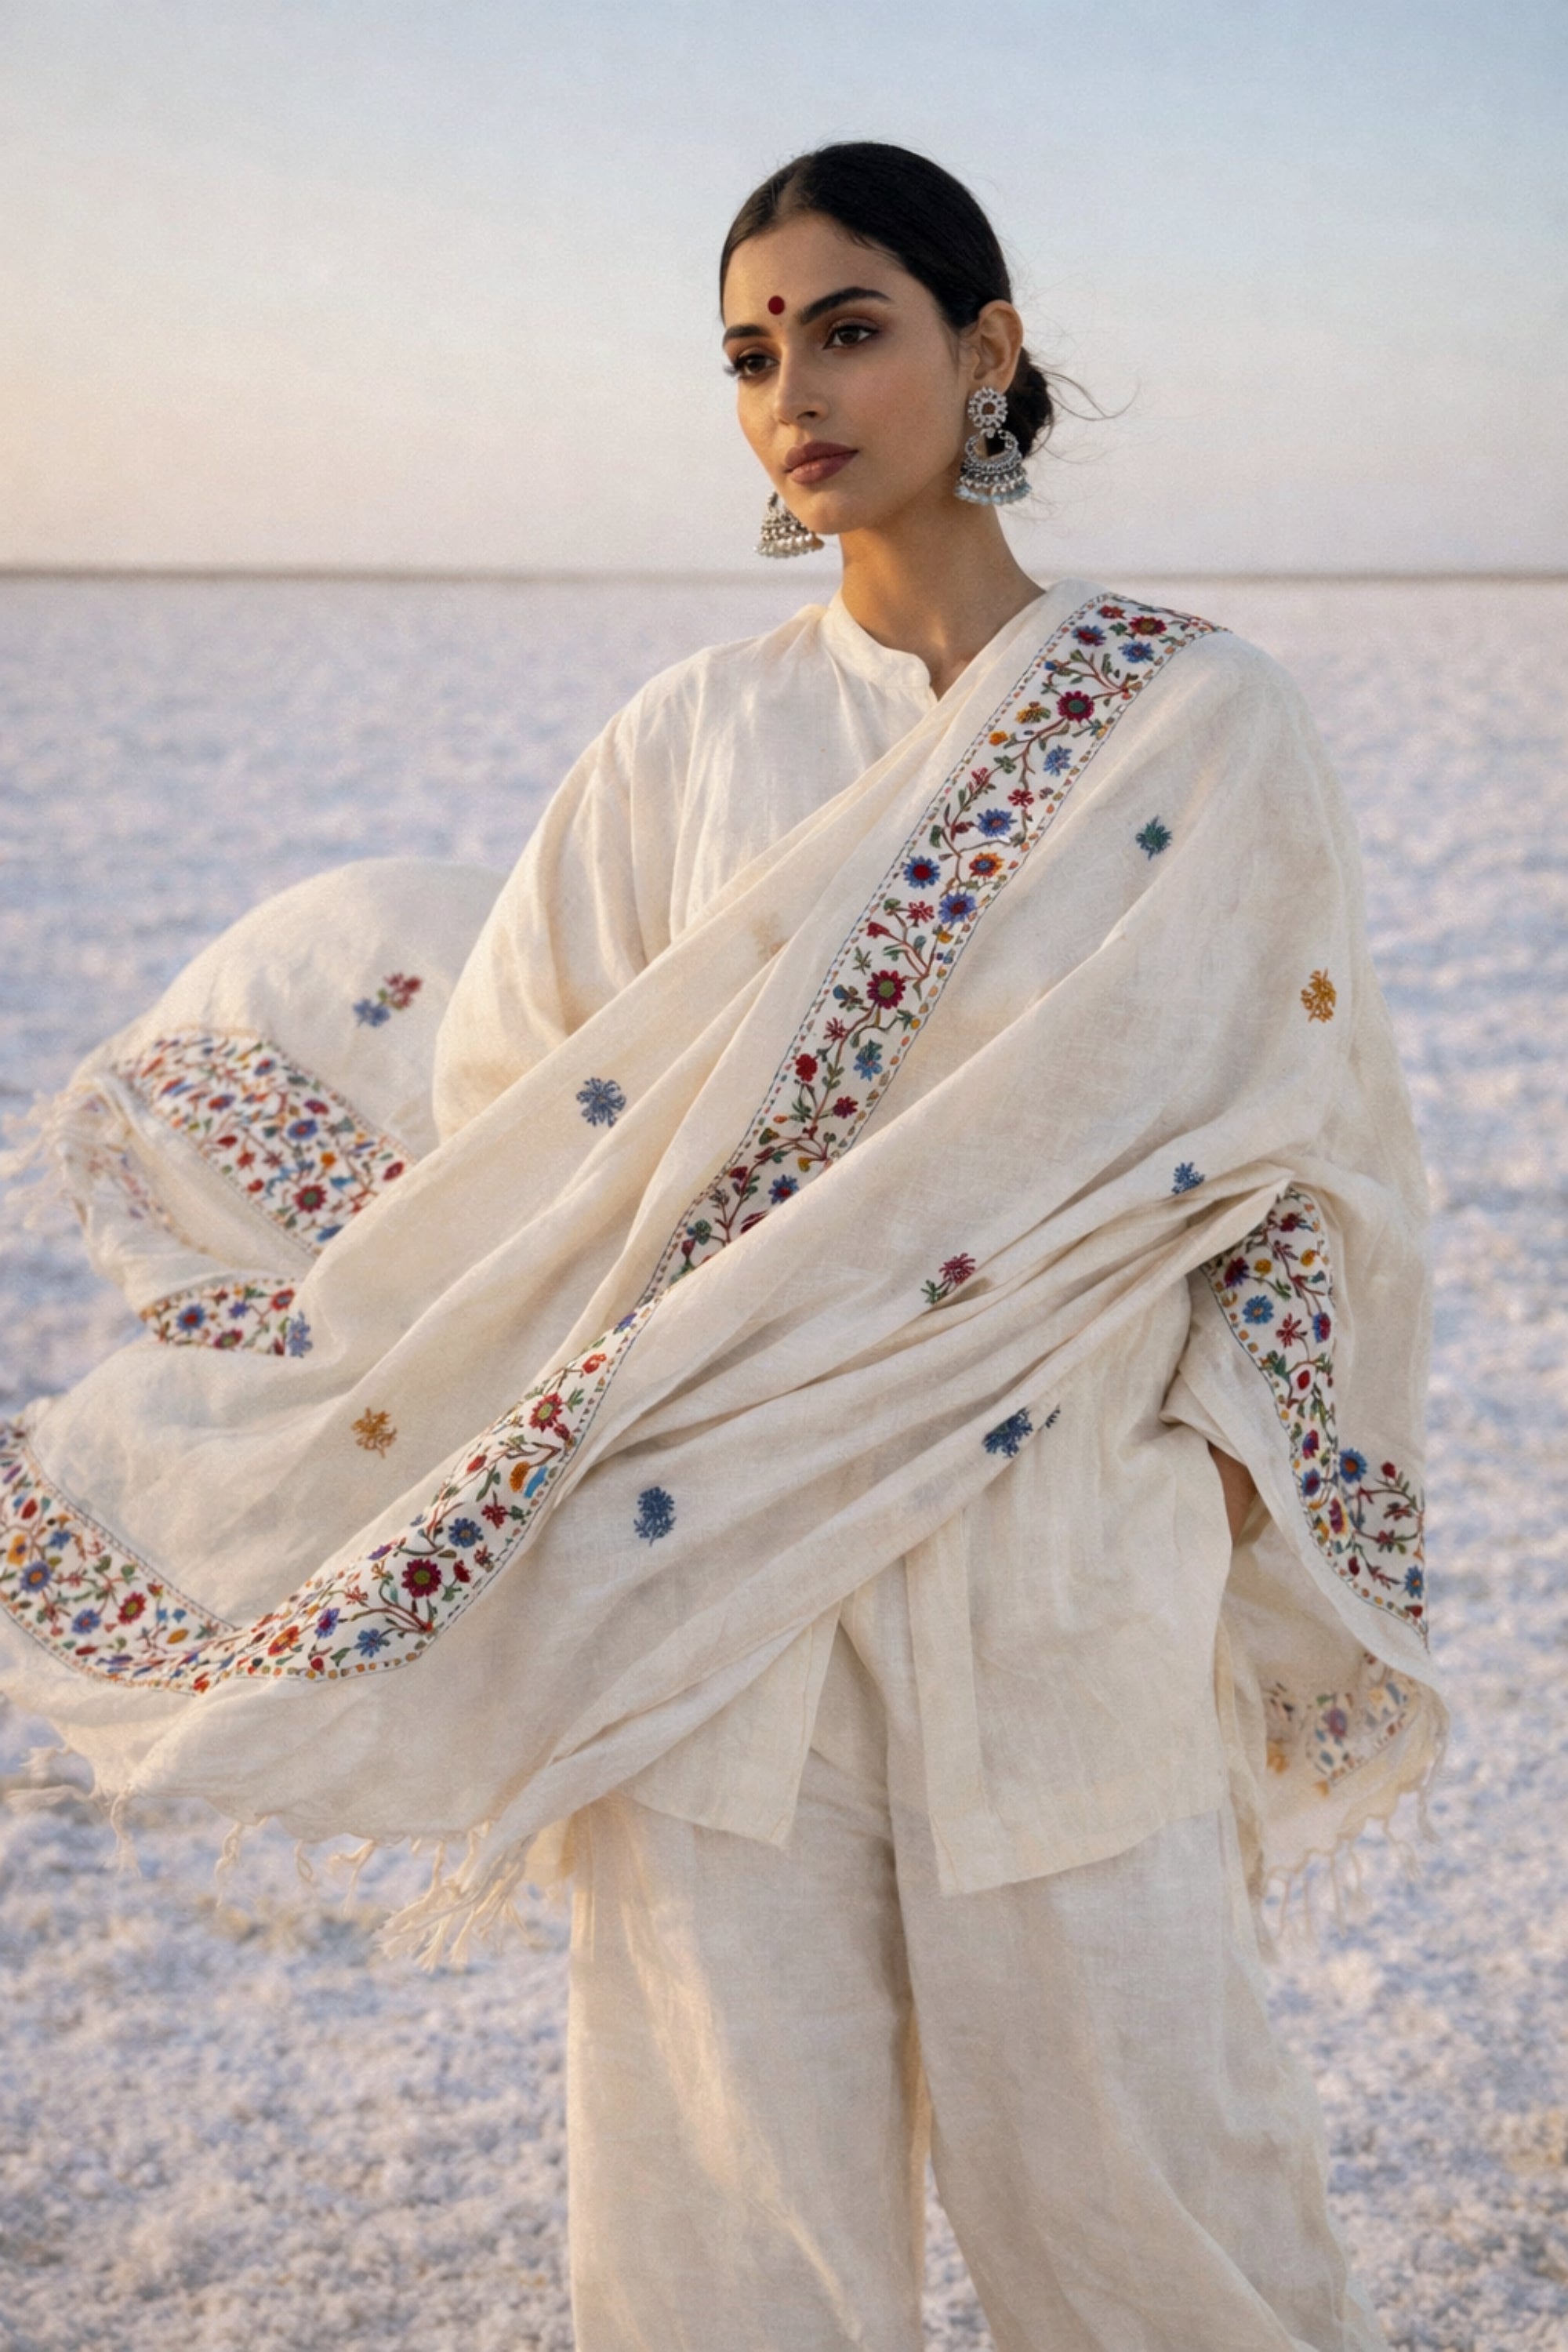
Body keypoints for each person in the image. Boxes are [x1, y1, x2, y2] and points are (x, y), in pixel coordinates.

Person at [0, 145, 1444, 2350]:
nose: (798, 389)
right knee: (726, 2226)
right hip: (701, 1572)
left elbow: (1312, 1156)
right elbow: (527, 1142)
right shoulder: (686, 740)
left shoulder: (1197, 725)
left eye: (852, 327)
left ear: (988, 350)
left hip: (1059, 1554)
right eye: (753, 351)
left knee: (1156, 2202)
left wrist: (1202, 1482)